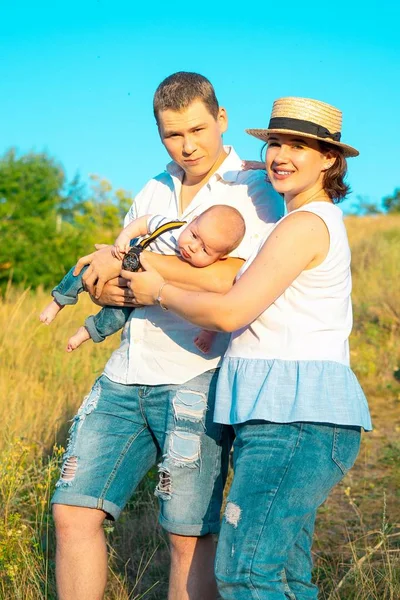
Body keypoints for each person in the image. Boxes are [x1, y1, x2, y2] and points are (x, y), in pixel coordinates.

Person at [124, 96, 372, 599]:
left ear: (329, 158)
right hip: (278, 417)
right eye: (276, 143)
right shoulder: (289, 223)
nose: (282, 154)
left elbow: (233, 310)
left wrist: (159, 293)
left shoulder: (306, 225)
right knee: (282, 576)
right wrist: (266, 164)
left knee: (245, 572)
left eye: (300, 145)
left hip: (296, 420)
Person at [50, 71, 284, 600]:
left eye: (198, 130)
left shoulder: (255, 191)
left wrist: (140, 267)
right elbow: (108, 279)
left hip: (197, 378)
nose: (188, 145)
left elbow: (228, 280)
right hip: (124, 373)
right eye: (173, 134)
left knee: (187, 536)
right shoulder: (152, 188)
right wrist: (124, 277)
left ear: (221, 120)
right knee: (72, 511)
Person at [39, 205, 246, 353]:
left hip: (135, 296)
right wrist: (122, 238)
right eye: (194, 235)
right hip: (124, 260)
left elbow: (211, 304)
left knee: (117, 317)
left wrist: (208, 334)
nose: (193, 247)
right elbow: (144, 222)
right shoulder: (171, 227)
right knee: (83, 269)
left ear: (221, 258)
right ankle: (58, 301)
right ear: (192, 221)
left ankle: (87, 332)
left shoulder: (206, 269)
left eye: (205, 249)